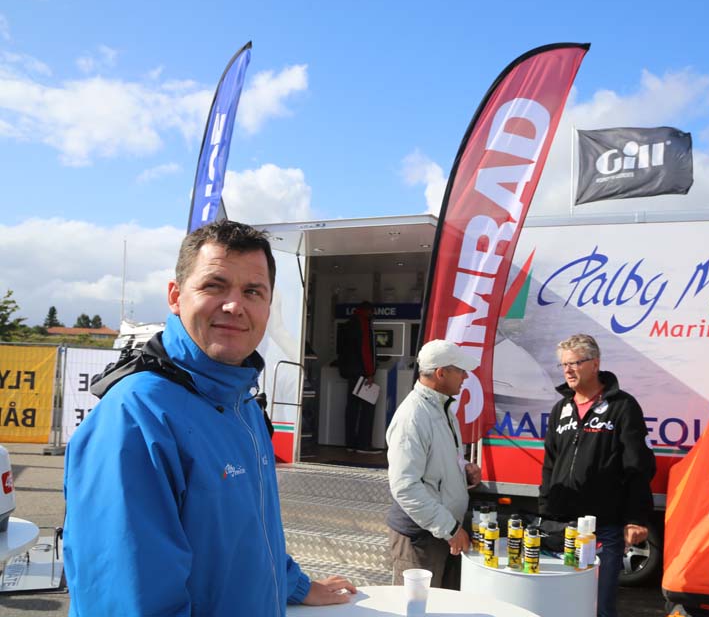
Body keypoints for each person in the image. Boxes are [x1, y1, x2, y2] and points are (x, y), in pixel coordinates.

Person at [64, 220, 356, 616]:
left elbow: (247, 535)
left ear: (268, 305)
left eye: (253, 291)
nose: (235, 305)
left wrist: (296, 586)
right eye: (214, 286)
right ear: (175, 295)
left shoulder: (242, 403)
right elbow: (127, 601)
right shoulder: (136, 418)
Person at [538, 333, 655, 617]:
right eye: (564, 364)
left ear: (595, 363)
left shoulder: (622, 407)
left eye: (575, 363)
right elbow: (550, 464)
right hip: (561, 526)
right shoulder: (561, 409)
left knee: (598, 607)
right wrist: (544, 512)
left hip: (603, 528)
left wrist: (636, 518)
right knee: (560, 605)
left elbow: (637, 466)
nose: (568, 370)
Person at [385, 339, 482, 589]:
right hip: (421, 537)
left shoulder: (442, 408)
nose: (465, 376)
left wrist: (463, 471)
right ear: (441, 373)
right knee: (416, 609)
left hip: (437, 532)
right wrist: (450, 529)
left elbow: (435, 465)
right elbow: (406, 487)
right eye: (460, 370)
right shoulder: (413, 416)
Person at [337, 300, 378, 452]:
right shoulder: (363, 324)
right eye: (372, 313)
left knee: (352, 408)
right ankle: (363, 444)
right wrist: (370, 373)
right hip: (361, 374)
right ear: (368, 311)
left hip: (350, 372)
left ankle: (350, 443)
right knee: (368, 407)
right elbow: (366, 351)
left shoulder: (348, 324)